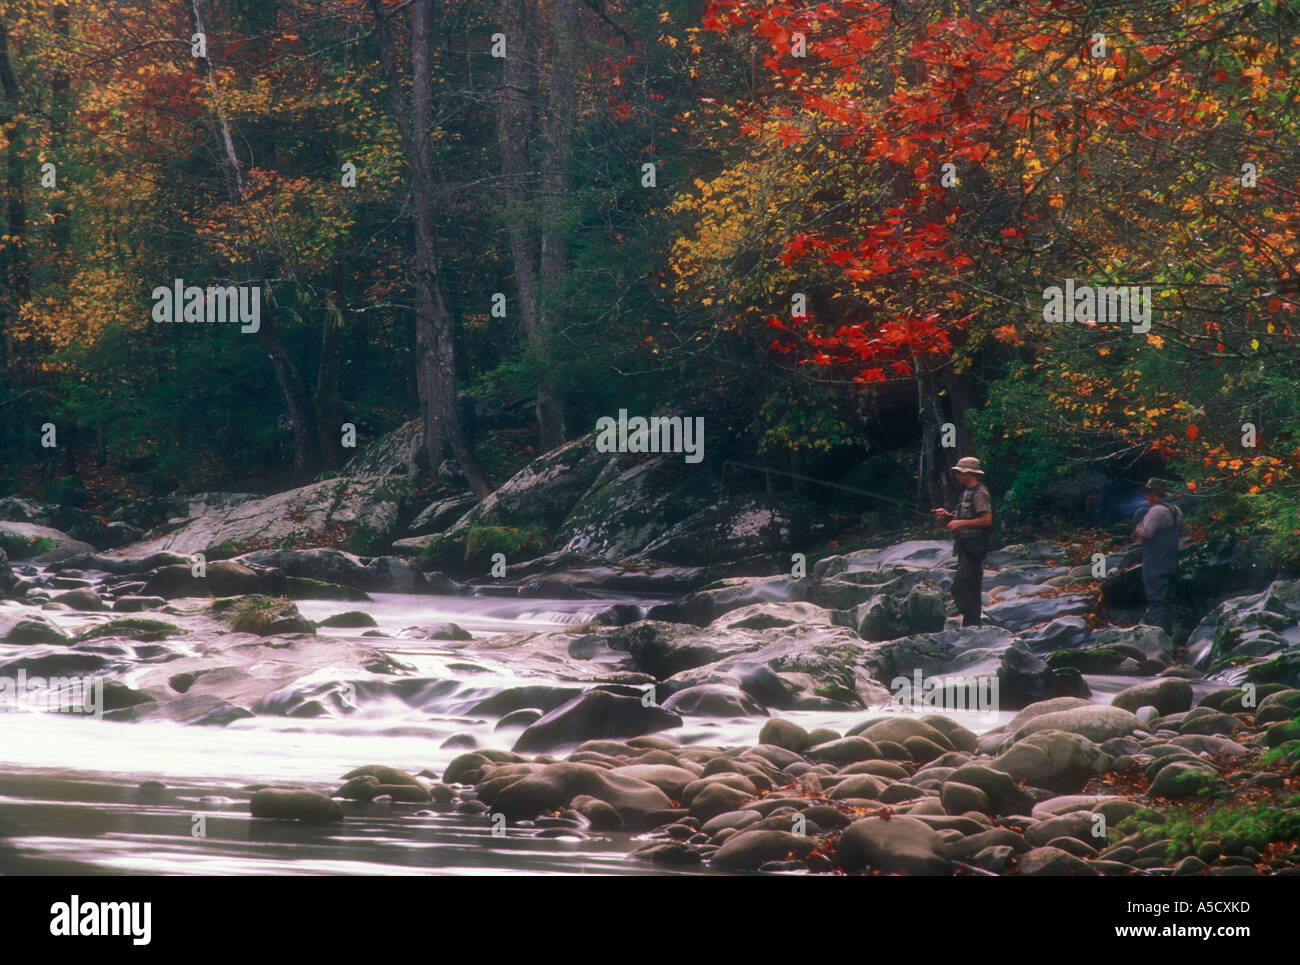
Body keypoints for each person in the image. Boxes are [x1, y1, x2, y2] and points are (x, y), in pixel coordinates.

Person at [932, 456, 994, 627]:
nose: (957, 475)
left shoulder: (980, 493)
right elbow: (966, 516)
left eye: (959, 472)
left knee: (960, 587)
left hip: (975, 545)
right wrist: (948, 516)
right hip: (964, 544)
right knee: (972, 586)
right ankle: (972, 625)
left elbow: (986, 520)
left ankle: (971, 618)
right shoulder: (967, 491)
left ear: (968, 473)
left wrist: (960, 523)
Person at [1134, 477, 1183, 635]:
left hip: (1156, 563)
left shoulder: (1156, 511)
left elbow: (1147, 534)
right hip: (1172, 560)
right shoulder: (1175, 509)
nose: (1146, 497)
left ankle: (1159, 638)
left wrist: (1138, 528)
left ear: (1153, 494)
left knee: (1157, 602)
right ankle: (1174, 636)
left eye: (1148, 494)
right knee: (1170, 600)